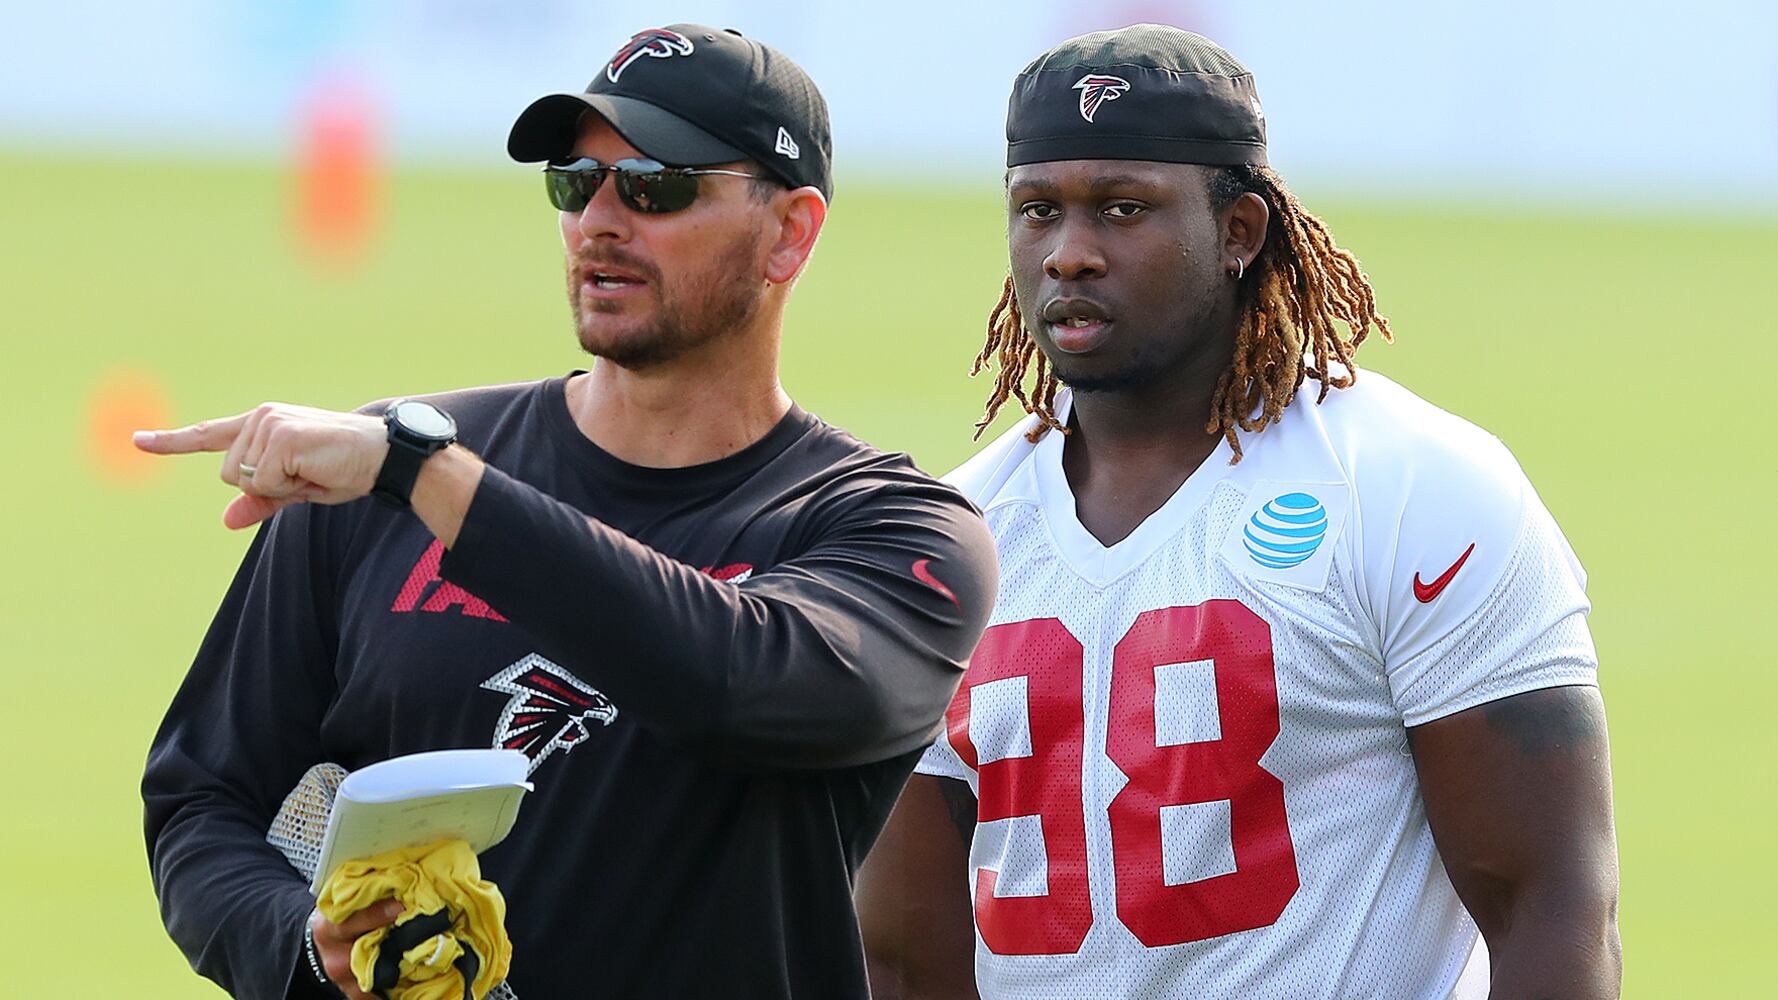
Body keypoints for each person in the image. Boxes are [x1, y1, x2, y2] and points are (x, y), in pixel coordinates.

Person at [138, 23, 995, 1000]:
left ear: (789, 232)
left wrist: (429, 476)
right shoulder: (372, 484)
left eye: (656, 186)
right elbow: (202, 796)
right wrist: (303, 947)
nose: (598, 220)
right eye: (573, 181)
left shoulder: (896, 533)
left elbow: (736, 684)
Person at [857, 24, 1620, 1000]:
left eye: (1123, 208)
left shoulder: (1410, 488)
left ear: (1239, 232)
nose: (1069, 254)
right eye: (1037, 209)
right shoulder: (950, 542)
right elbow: (907, 959)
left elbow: (1550, 910)